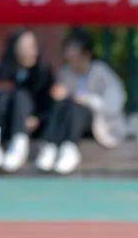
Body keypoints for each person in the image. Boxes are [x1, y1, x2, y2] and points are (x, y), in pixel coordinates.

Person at [35, 28, 125, 174]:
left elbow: (113, 104)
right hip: (67, 119)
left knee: (77, 107)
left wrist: (86, 99)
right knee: (64, 104)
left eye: (75, 55)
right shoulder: (65, 73)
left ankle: (69, 148)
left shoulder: (101, 72)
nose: (71, 59)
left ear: (87, 54)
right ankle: (50, 146)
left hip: (98, 122)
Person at [0, 28, 55, 173]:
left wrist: (37, 118)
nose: (30, 50)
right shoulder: (3, 72)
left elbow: (48, 104)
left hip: (30, 125)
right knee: (4, 96)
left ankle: (19, 143)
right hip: (4, 125)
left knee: (21, 95)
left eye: (32, 46)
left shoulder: (42, 72)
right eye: (25, 46)